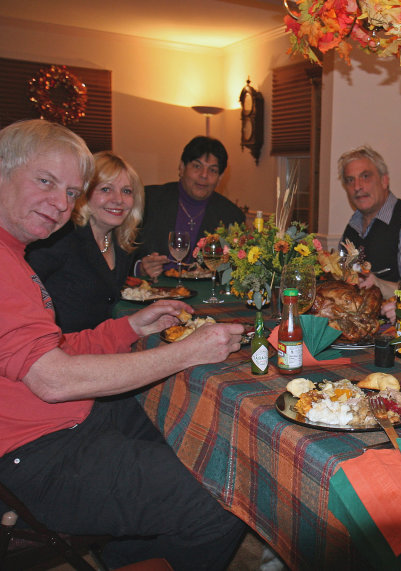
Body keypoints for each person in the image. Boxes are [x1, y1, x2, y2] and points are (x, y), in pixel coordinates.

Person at [0, 119, 246, 570]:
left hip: (66, 419)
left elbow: (54, 346)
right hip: (33, 455)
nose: (60, 204)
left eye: (72, 192)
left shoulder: (14, 253)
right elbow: (53, 379)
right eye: (46, 182)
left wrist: (130, 327)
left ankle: (125, 551)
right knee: (229, 495)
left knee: (179, 419)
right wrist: (188, 351)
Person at [27, 151, 143, 332]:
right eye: (106, 189)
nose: (119, 200)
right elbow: (22, 298)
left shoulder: (121, 244)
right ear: (83, 193)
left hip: (102, 346)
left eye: (126, 191)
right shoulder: (59, 238)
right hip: (59, 349)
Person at [137, 136, 245, 279]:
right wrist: (140, 268)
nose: (204, 175)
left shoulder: (231, 216)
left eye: (212, 170)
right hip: (152, 293)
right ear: (181, 167)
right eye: (197, 166)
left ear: (220, 177)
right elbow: (122, 253)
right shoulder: (148, 200)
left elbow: (234, 271)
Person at [338, 145, 401, 297]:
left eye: (365, 176)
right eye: (350, 180)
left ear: (384, 181)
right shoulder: (353, 224)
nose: (357, 187)